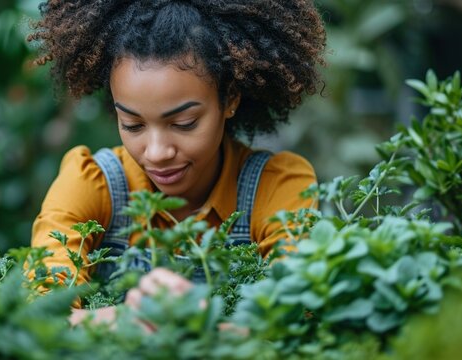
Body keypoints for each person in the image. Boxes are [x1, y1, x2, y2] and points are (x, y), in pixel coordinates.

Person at [29, 0, 326, 321]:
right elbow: (43, 315)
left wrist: (194, 327)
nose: (156, 152)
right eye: (133, 125)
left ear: (230, 99)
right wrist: (132, 320)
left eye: (183, 123)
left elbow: (299, 314)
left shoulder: (276, 187)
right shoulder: (91, 183)